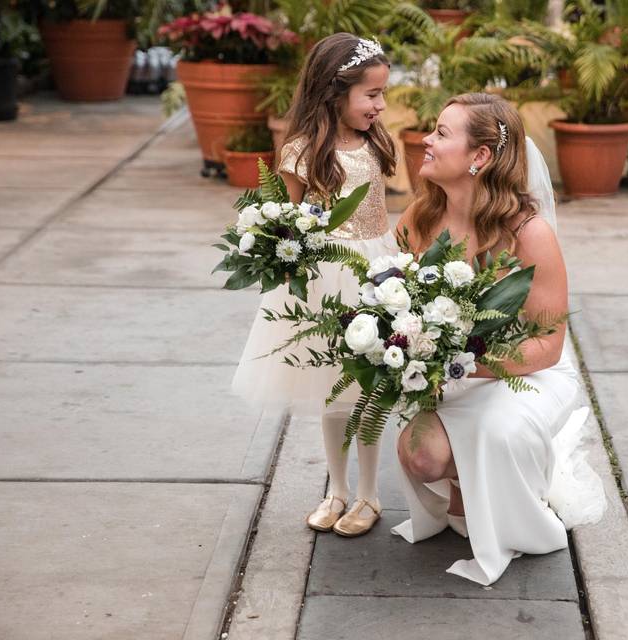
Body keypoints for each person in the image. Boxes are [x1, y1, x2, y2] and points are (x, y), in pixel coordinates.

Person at [391, 93, 606, 586]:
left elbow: (547, 344)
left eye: (442, 133)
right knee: (420, 456)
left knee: (497, 431)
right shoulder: (419, 221)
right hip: (450, 374)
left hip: (524, 373)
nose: (426, 140)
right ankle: (473, 481)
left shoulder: (528, 234)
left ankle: (515, 488)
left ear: (480, 157)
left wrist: (461, 364)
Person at [232, 33, 397, 538]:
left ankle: (369, 493)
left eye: (382, 93)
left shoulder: (375, 141)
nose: (381, 104)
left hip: (374, 272)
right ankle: (338, 489)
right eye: (371, 94)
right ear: (334, 90)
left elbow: (380, 211)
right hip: (326, 277)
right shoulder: (303, 150)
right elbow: (285, 220)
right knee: (334, 392)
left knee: (368, 389)